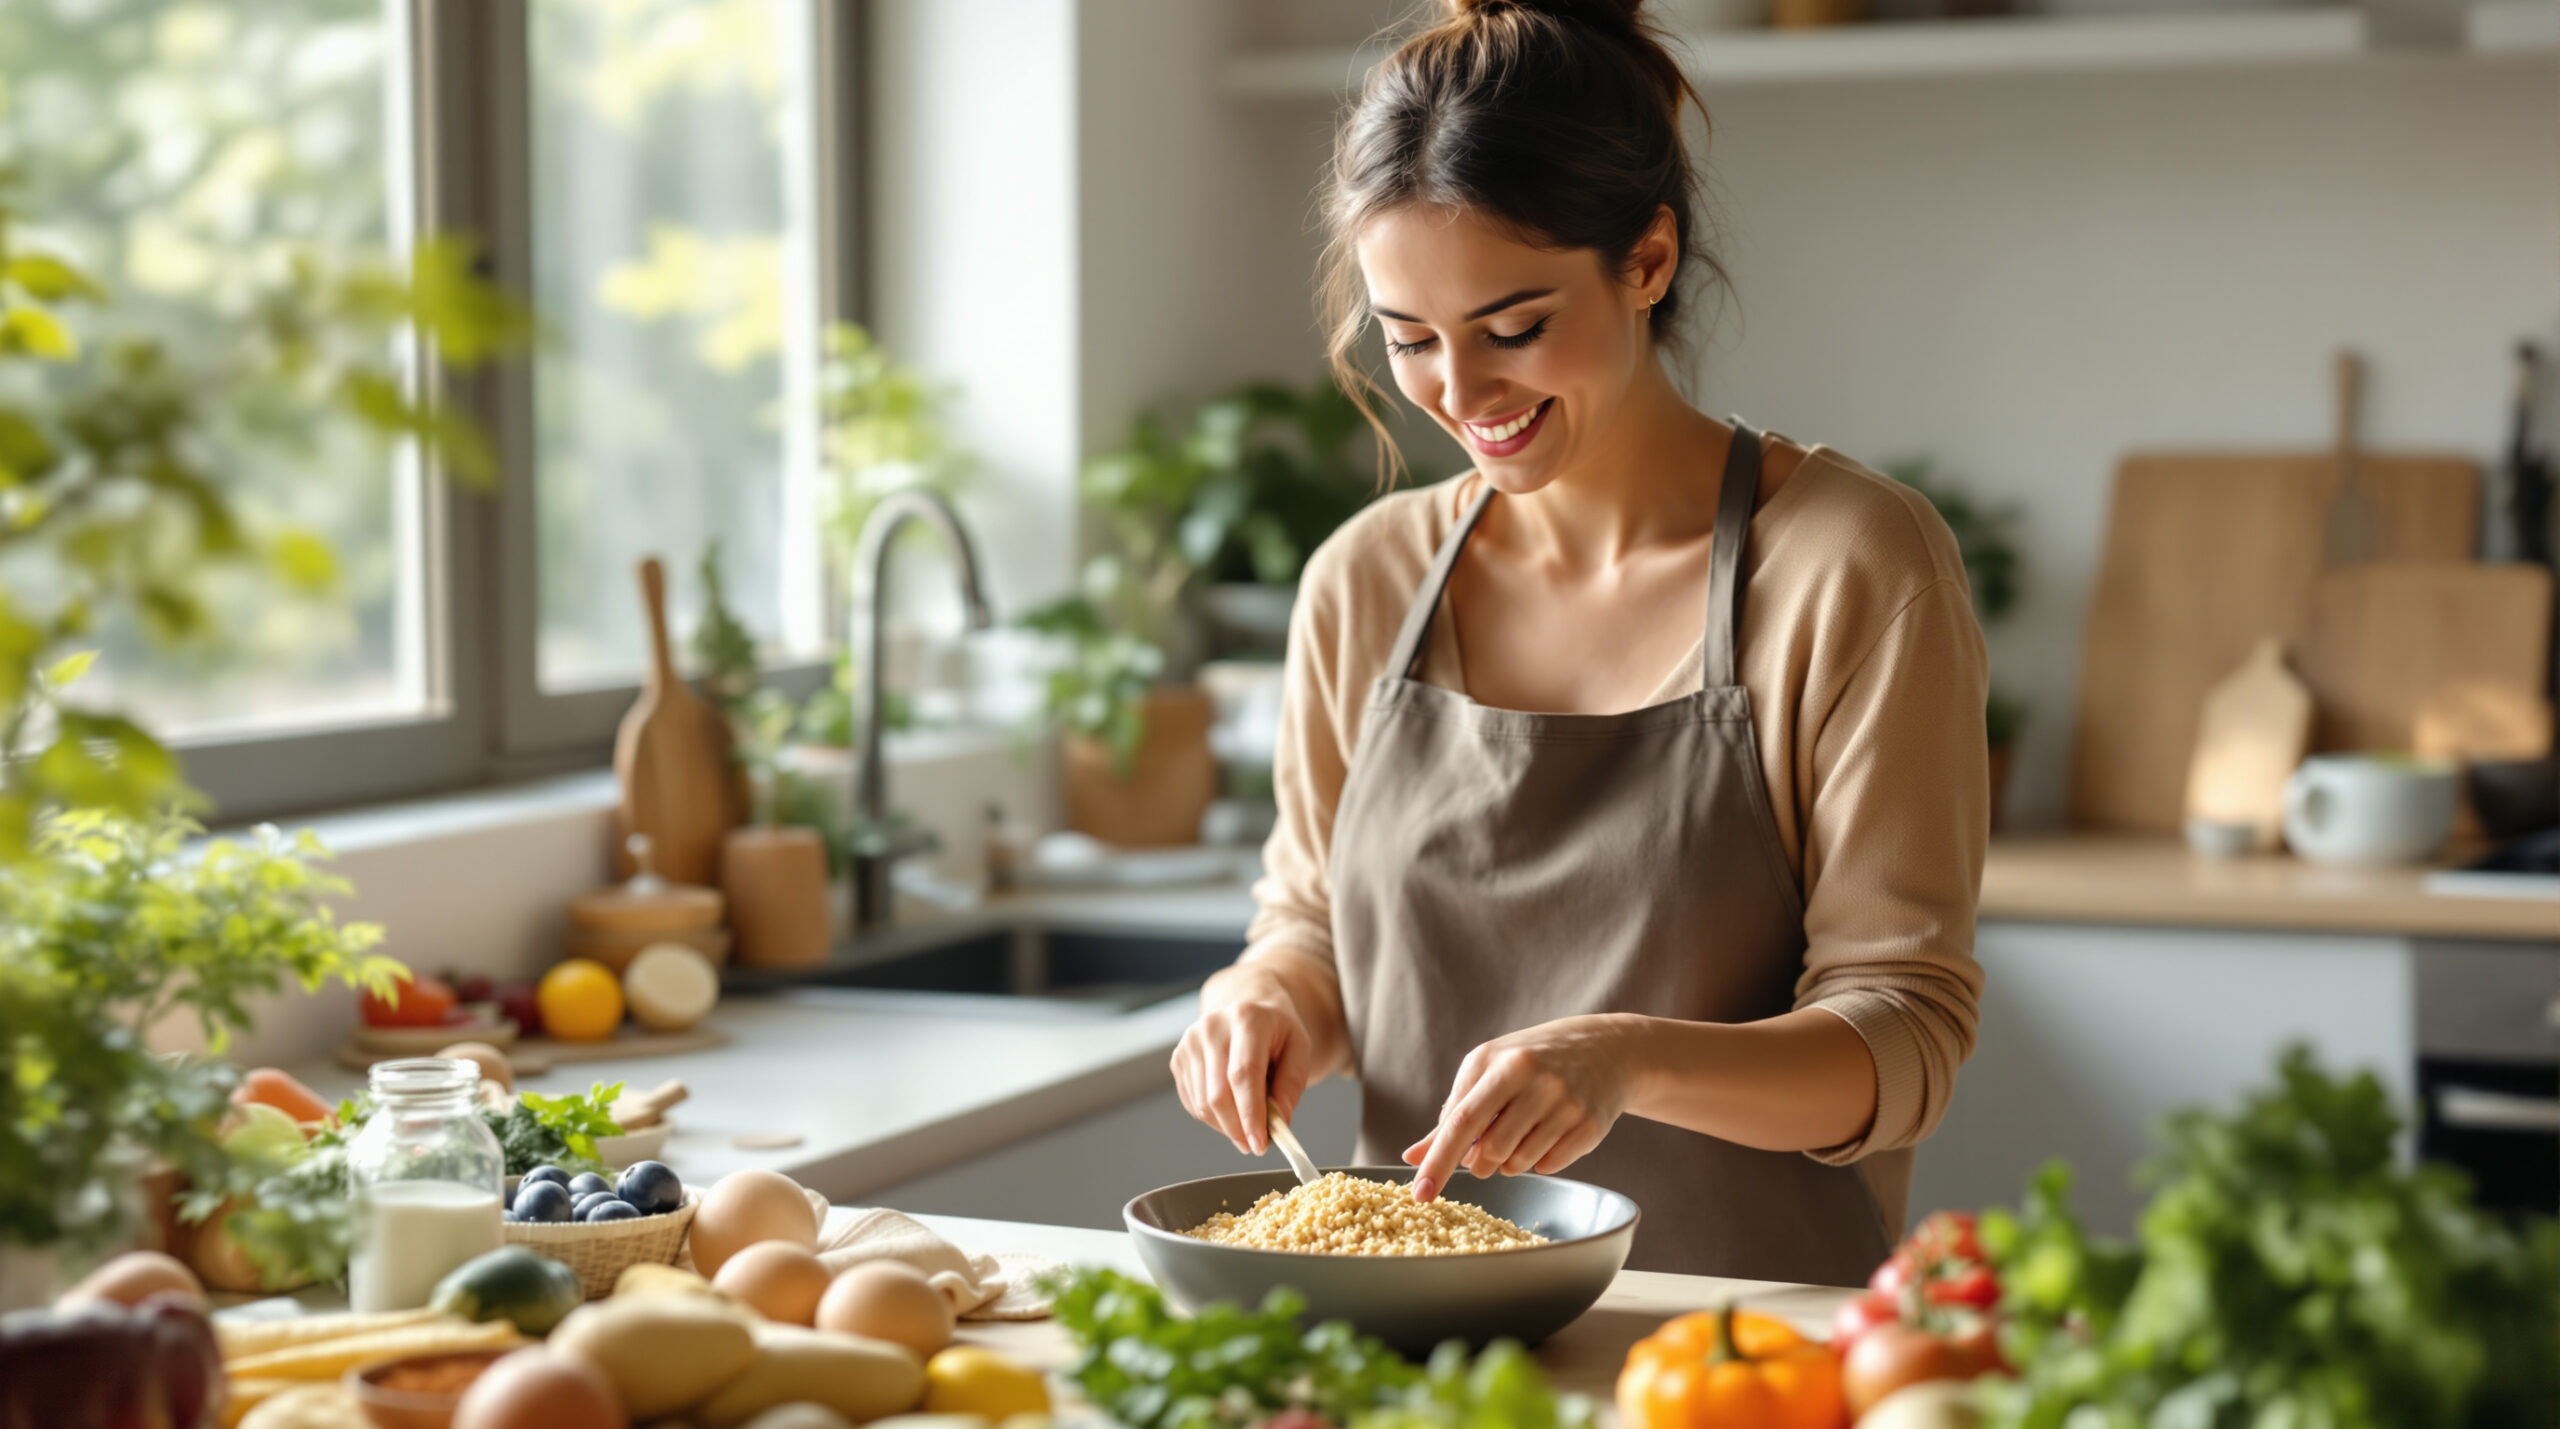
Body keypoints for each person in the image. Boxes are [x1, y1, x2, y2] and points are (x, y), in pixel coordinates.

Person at [1169, 0, 1989, 1283]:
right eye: (1409, 340)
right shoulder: (1365, 581)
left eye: (1513, 328)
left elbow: (1902, 1038)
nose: (1461, 393)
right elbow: (1315, 926)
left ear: (1647, 259)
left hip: (1740, 1344)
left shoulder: (1849, 565)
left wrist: (1631, 1060)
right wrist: (1265, 1000)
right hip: (1423, 1342)